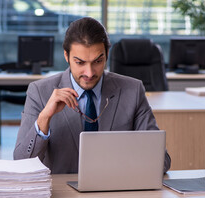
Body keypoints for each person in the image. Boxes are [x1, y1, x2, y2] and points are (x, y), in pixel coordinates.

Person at [13, 17, 171, 174]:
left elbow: (162, 161)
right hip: (63, 195)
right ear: (66, 56)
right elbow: (21, 163)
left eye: (97, 61)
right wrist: (44, 118)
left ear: (107, 54)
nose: (89, 73)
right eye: (80, 62)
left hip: (115, 190)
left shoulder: (133, 90)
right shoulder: (40, 92)